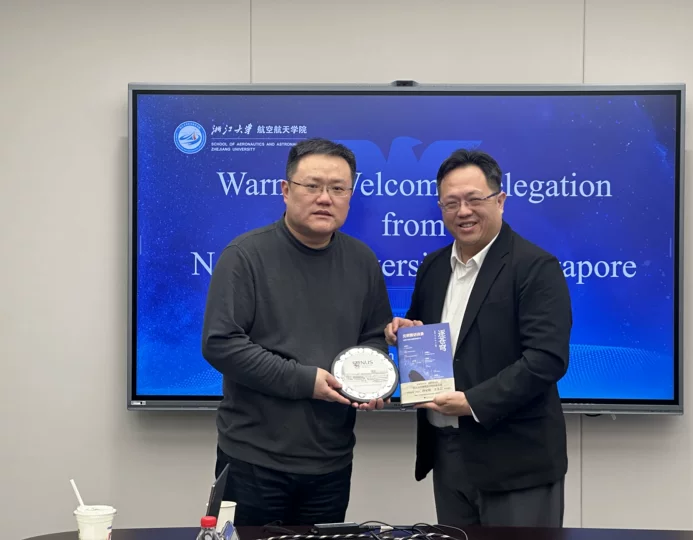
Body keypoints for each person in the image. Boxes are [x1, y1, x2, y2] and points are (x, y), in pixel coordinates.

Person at [202, 138, 393, 526]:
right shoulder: (245, 256)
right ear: (286, 191)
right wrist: (304, 381)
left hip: (331, 462)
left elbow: (373, 336)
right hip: (253, 461)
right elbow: (221, 343)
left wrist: (373, 381)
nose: (325, 198)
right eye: (313, 186)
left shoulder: (363, 261)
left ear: (350, 196)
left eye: (338, 188)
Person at [385, 149, 572, 528]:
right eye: (451, 203)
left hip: (516, 461)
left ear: (500, 200)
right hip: (447, 452)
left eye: (473, 199)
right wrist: (401, 333)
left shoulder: (535, 267)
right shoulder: (433, 266)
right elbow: (425, 335)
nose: (463, 211)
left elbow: (546, 359)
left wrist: (473, 402)